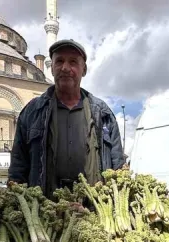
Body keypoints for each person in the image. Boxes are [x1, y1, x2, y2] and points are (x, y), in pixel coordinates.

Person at [8, 39, 125, 197]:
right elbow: (18, 167)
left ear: (83, 70)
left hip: (92, 210)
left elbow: (117, 166)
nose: (65, 68)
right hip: (46, 210)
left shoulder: (103, 114)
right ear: (52, 68)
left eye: (73, 62)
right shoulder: (32, 112)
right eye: (59, 61)